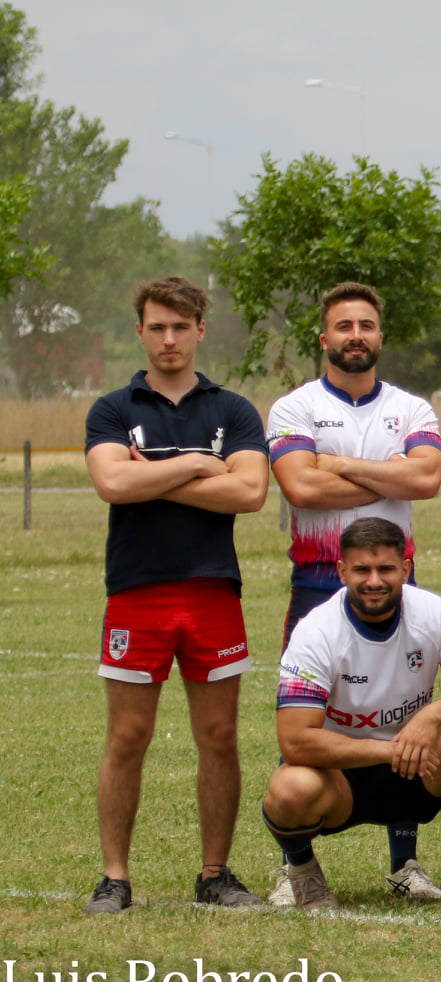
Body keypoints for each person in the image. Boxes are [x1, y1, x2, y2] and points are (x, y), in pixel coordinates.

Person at [82, 276, 268, 914]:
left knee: (218, 735)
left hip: (214, 592)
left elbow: (248, 494)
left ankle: (214, 874)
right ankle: (115, 878)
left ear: (199, 331)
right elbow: (110, 483)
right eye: (156, 326)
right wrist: (198, 465)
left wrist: (150, 474)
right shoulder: (112, 408)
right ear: (140, 331)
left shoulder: (234, 410)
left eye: (179, 327)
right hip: (136, 593)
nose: (168, 338)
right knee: (128, 736)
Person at [266, 281, 441, 903]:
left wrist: (335, 464)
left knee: (403, 711)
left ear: (380, 335)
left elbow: (426, 479)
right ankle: (296, 867)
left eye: (366, 325)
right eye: (343, 327)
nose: (355, 336)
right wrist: (386, 476)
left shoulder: (413, 409)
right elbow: (301, 490)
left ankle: (405, 861)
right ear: (325, 339)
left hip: (395, 585)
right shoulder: (293, 408)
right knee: (305, 720)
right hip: (315, 578)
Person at [263, 519, 441, 909]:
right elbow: (295, 741)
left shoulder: (429, 611)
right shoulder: (316, 631)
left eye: (386, 570)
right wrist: (387, 750)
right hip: (339, 778)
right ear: (342, 571)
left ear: (405, 571)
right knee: (289, 788)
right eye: (361, 569)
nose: (374, 581)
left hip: (418, 768)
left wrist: (430, 718)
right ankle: (303, 874)